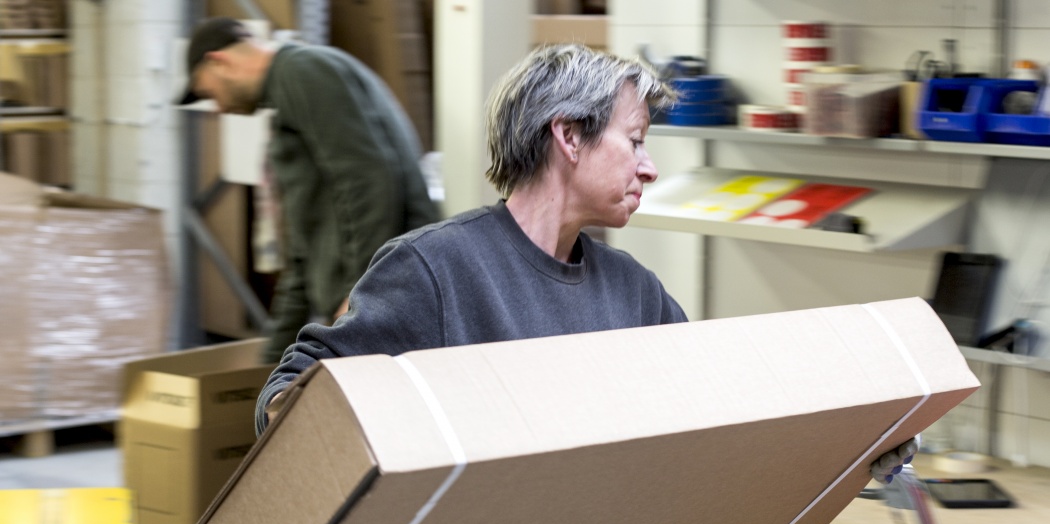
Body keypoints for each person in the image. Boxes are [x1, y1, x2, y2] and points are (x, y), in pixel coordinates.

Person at [253, 43, 917, 484]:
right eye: (634, 141)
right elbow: (290, 394)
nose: (649, 167)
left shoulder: (634, 293)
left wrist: (855, 434)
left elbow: (726, 403)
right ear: (568, 135)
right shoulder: (435, 269)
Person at [177, 17, 441, 363]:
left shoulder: (304, 72)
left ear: (218, 61)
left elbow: (367, 182)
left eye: (209, 92)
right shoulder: (289, 95)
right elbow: (303, 250)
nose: (218, 108)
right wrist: (269, 365)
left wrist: (363, 293)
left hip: (390, 297)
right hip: (368, 302)